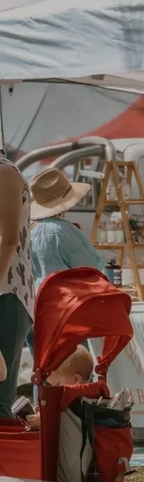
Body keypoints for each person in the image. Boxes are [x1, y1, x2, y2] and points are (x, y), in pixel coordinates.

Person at [29, 169, 105, 291]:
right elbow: (89, 268)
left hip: (37, 300)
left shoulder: (28, 230)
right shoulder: (64, 230)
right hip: (66, 299)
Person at [0, 147, 32, 419]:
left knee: (1, 394)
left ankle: (6, 461)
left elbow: (9, 240)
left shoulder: (5, 173)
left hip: (7, 291)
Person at [24, 345, 95, 429]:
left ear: (76, 379)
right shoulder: (91, 393)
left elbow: (66, 423)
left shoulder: (75, 400)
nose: (54, 388)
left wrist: (44, 421)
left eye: (57, 384)